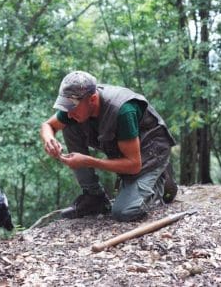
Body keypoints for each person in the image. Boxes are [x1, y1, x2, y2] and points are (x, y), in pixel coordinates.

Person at [40, 71, 178, 221]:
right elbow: (47, 125)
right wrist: (49, 139)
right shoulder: (76, 107)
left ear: (92, 99)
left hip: (151, 151)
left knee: (124, 212)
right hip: (125, 148)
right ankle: (94, 197)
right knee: (69, 126)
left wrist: (88, 161)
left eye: (72, 108)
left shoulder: (123, 110)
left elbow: (133, 165)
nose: (69, 113)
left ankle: (161, 178)